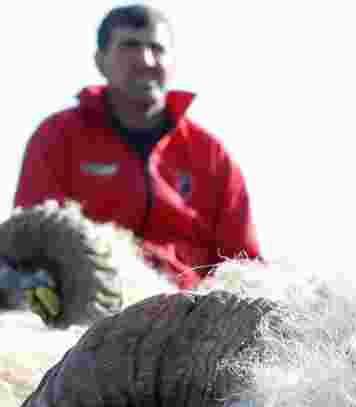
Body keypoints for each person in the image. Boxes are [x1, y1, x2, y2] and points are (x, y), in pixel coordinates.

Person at [13, 5, 262, 290]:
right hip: (87, 310)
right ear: (100, 61)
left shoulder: (212, 155)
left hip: (190, 313)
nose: (146, 60)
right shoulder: (57, 137)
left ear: (172, 62)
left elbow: (245, 265)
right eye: (130, 46)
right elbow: (29, 241)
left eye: (157, 48)